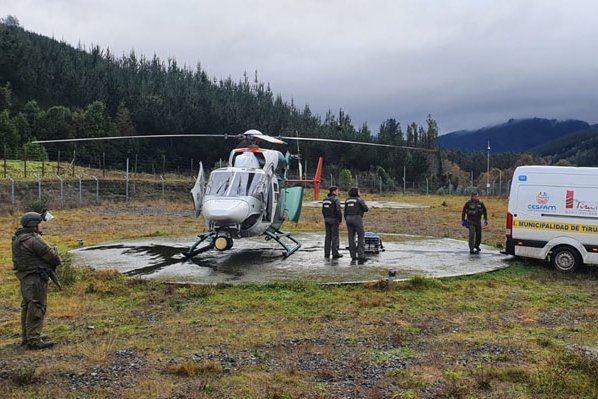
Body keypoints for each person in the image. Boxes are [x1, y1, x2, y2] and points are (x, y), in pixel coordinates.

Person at [12, 211, 61, 350]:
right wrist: (56, 255)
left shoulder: (18, 238)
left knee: (27, 306)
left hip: (25, 276)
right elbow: (53, 258)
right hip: (36, 277)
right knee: (37, 306)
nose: (41, 226)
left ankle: (27, 337)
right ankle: (34, 340)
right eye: (39, 224)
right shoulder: (34, 239)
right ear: (34, 225)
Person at [344, 187, 369, 263]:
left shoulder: (347, 200)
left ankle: (353, 256)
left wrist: (346, 218)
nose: (360, 193)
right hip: (357, 218)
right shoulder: (359, 200)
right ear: (356, 192)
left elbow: (345, 211)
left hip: (348, 218)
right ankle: (361, 256)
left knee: (351, 238)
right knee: (361, 237)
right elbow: (366, 208)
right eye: (359, 191)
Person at [322, 186, 343, 259]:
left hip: (326, 219)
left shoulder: (325, 200)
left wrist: (325, 218)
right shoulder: (336, 199)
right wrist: (340, 219)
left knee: (328, 236)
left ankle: (326, 253)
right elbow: (338, 210)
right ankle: (335, 253)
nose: (338, 192)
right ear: (333, 192)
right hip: (334, 219)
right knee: (335, 237)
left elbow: (323, 210)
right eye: (337, 191)